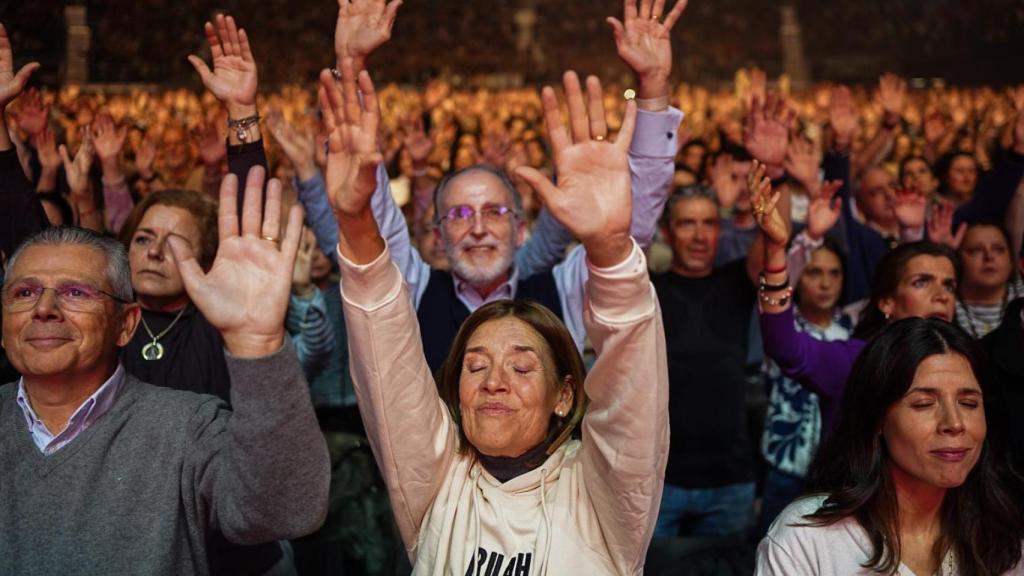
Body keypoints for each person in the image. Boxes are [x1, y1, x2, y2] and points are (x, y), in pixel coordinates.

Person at [324, 51, 667, 573]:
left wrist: (610, 246)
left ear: (565, 394)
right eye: (474, 365)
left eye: (524, 367)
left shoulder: (602, 494)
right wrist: (353, 217)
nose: (494, 383)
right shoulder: (437, 484)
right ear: (437, 233)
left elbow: (630, 385)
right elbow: (379, 323)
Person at [0, 165, 330, 574]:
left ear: (126, 324)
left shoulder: (189, 426)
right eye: (25, 292)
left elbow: (281, 510)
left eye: (75, 292)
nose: (44, 308)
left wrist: (257, 345)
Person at [354, 0, 687, 372]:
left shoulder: (563, 291)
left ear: (521, 230)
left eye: (494, 212)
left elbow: (626, 236)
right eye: (459, 214)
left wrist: (653, 88)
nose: (478, 228)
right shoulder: (414, 290)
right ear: (439, 235)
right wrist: (351, 67)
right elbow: (372, 213)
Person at [756, 318, 1024, 575]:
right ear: (876, 419)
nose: (954, 423)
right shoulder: (808, 539)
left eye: (968, 403)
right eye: (923, 404)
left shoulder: (1001, 534)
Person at [754, 159, 961, 434]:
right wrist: (776, 252)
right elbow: (785, 349)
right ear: (886, 303)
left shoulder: (965, 362)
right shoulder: (857, 362)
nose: (941, 295)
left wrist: (912, 233)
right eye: (922, 283)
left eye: (949, 286)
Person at [955, 222, 1024, 338]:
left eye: (998, 250)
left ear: (1012, 261)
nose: (989, 256)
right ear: (957, 259)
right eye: (976, 250)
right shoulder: (945, 302)